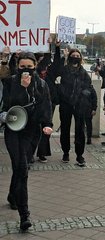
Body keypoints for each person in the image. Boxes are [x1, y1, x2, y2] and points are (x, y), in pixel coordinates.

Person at [1, 52, 53, 231]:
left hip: (32, 131)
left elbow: (46, 104)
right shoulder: (9, 83)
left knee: (21, 167)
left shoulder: (42, 84)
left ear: (35, 67)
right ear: (17, 66)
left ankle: (12, 195)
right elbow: (7, 105)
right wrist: (22, 89)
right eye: (22, 67)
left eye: (29, 67)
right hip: (14, 130)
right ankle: (25, 215)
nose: (26, 70)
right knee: (22, 167)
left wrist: (47, 124)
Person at [49, 45, 92, 166]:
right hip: (65, 104)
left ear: (81, 58)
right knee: (65, 129)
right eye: (73, 56)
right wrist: (58, 50)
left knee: (80, 130)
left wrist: (83, 95)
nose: (75, 57)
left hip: (79, 105)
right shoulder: (64, 69)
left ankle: (79, 155)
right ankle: (65, 152)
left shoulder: (83, 73)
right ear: (69, 57)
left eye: (77, 56)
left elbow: (89, 87)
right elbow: (54, 70)